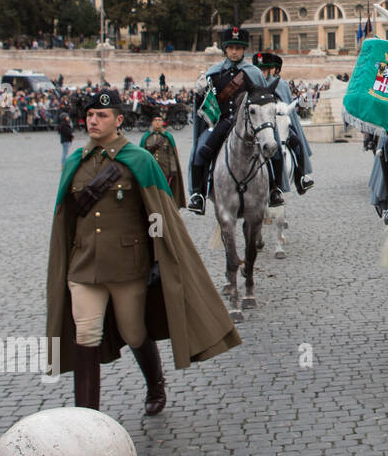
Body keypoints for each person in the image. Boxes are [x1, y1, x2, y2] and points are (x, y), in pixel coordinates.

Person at [47, 90, 241, 414]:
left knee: (135, 332)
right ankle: (87, 419)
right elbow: (64, 220)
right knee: (86, 335)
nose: (93, 120)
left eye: (102, 115)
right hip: (83, 269)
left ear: (119, 120)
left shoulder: (138, 160)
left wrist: (156, 256)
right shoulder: (74, 164)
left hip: (127, 268)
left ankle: (155, 383)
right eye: (90, 115)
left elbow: (157, 215)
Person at [187, 26, 278, 214]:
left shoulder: (254, 73)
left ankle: (274, 189)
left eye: (238, 48)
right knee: (200, 152)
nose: (234, 51)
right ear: (225, 49)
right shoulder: (214, 73)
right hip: (219, 123)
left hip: (249, 125)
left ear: (244, 50)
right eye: (231, 47)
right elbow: (204, 105)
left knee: (272, 149)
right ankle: (198, 194)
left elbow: (265, 98)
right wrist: (199, 93)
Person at [253, 51, 315, 195]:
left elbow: (288, 105)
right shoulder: (252, 83)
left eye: (264, 70)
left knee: (297, 143)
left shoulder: (280, 85)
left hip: (280, 123)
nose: (262, 73)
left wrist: (282, 108)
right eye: (259, 70)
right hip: (259, 125)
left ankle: (301, 176)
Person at [140, 111, 187, 207]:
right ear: (152, 122)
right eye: (155, 120)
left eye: (159, 120)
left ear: (162, 122)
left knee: (164, 190)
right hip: (151, 168)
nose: (157, 122)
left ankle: (165, 206)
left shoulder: (168, 137)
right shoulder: (146, 137)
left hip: (164, 168)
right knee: (152, 189)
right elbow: (142, 154)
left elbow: (171, 154)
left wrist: (173, 169)